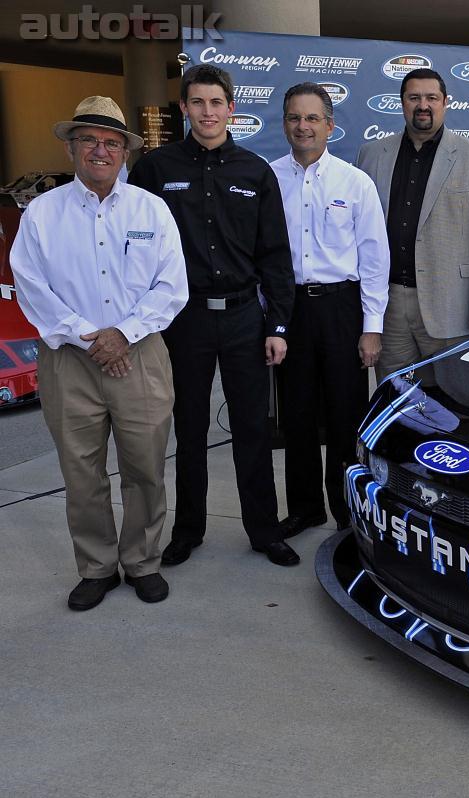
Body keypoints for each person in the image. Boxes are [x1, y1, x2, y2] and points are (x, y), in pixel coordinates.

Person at [11, 96, 188, 609]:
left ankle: (142, 562)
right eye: (89, 139)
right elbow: (31, 287)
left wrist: (123, 334)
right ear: (72, 147)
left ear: (125, 152)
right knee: (81, 472)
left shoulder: (150, 209)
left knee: (145, 467)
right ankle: (96, 567)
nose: (100, 150)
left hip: (140, 355)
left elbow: (171, 285)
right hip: (70, 360)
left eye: (111, 142)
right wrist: (91, 337)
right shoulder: (43, 213)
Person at [130, 64, 299, 567]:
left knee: (252, 428)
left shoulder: (255, 171)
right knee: (190, 429)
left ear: (231, 108)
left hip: (246, 316)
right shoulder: (155, 170)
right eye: (197, 103)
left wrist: (279, 325)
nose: (207, 112)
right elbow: (135, 251)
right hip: (185, 320)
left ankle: (264, 531)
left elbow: (275, 255)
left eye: (216, 102)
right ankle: (187, 532)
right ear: (184, 108)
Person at [269, 83, 389, 537]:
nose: (303, 126)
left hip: (342, 308)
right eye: (295, 118)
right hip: (290, 310)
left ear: (330, 126)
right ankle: (304, 509)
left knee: (345, 415)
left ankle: (346, 510)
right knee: (296, 416)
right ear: (284, 124)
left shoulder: (354, 182)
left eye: (313, 118)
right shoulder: (270, 178)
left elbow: (375, 258)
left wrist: (371, 328)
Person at [355, 67, 469, 381]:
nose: (422, 105)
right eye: (414, 97)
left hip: (453, 305)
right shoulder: (371, 154)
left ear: (445, 102)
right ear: (402, 103)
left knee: (456, 398)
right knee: (395, 398)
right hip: (390, 305)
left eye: (431, 98)